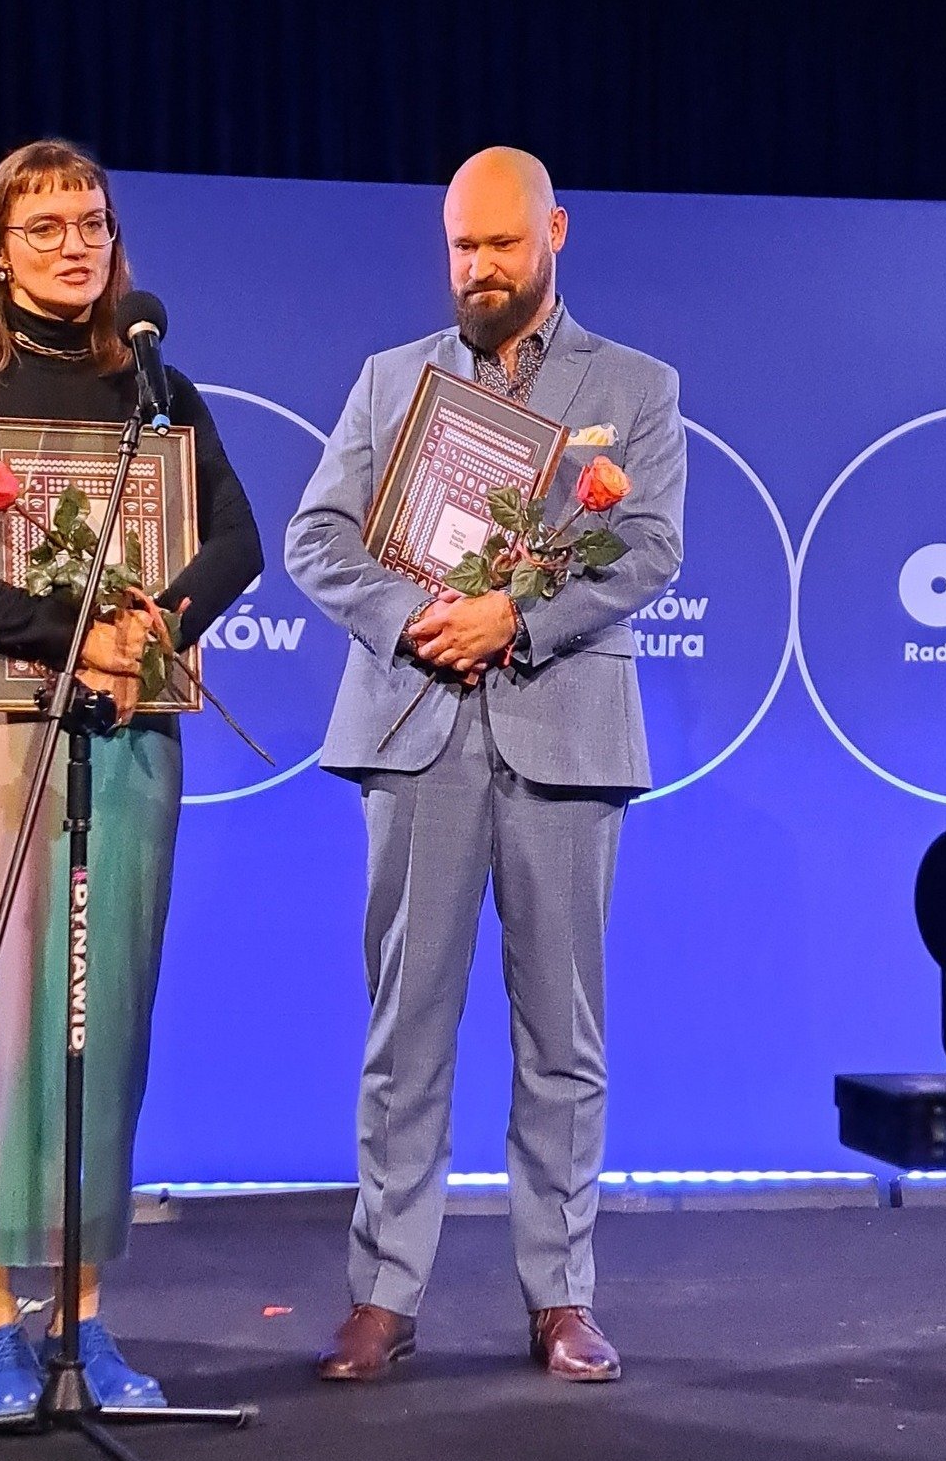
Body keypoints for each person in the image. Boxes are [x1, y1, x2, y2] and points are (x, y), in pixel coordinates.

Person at [285, 146, 686, 1383]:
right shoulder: (390, 380)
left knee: (562, 1036)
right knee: (404, 1030)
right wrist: (421, 616)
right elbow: (317, 537)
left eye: (502, 245)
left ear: (554, 233)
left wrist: (515, 617)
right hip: (416, 728)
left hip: (566, 734)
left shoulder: (635, 385)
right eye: (463, 247)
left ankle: (561, 1298)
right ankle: (382, 1297)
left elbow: (649, 547)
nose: (480, 269)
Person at [0, 138, 262, 1418]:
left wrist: (152, 628)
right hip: (0, 718)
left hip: (130, 715)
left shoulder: (155, 385)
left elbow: (238, 540)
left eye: (91, 222)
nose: (73, 246)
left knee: (105, 1015)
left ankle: (85, 1320)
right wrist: (65, 632)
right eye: (43, 227)